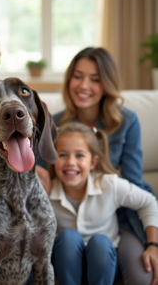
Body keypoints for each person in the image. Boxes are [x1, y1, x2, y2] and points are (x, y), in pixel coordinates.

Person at [36, 47, 157, 284]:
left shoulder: (126, 121)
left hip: (118, 212)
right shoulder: (53, 123)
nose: (84, 86)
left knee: (142, 277)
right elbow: (42, 174)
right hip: (66, 218)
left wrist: (152, 242)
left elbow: (134, 183)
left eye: (95, 79)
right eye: (78, 76)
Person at [49, 122, 158, 285]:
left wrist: (153, 245)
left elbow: (148, 202)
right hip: (66, 265)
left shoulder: (110, 185)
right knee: (68, 237)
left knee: (100, 242)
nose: (71, 162)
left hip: (104, 265)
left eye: (79, 155)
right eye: (63, 155)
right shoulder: (47, 191)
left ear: (93, 162)